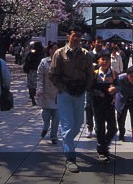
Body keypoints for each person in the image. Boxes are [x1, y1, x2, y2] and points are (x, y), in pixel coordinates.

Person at [48, 29, 94, 173]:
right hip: (65, 93)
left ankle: (67, 142)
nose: (77, 39)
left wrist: (84, 88)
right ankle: (70, 157)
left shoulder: (86, 54)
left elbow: (90, 74)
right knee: (67, 125)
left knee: (79, 122)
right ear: (69, 36)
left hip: (79, 93)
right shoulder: (59, 53)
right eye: (74, 36)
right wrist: (63, 88)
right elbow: (52, 74)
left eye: (79, 36)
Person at [90, 49, 119, 161]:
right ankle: (102, 152)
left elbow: (119, 86)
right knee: (100, 127)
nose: (105, 61)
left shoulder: (114, 73)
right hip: (97, 105)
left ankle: (102, 145)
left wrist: (115, 89)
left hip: (109, 104)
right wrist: (98, 93)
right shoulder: (94, 74)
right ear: (98, 61)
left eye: (107, 59)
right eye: (103, 59)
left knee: (113, 128)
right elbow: (89, 88)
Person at [36, 42, 60, 144]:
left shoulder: (63, 61)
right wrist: (39, 89)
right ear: (49, 50)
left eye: (56, 48)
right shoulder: (44, 62)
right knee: (46, 114)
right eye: (52, 48)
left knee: (57, 116)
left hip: (59, 92)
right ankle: (46, 126)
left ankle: (53, 135)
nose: (54, 50)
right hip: (46, 92)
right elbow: (40, 77)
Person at [116, 65, 133, 145]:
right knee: (121, 118)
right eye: (131, 76)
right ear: (127, 75)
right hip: (122, 100)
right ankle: (121, 133)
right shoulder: (120, 78)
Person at [85, 36, 103, 139]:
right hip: (90, 84)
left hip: (101, 84)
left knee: (99, 108)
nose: (99, 44)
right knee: (88, 107)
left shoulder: (105, 54)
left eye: (101, 42)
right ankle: (89, 127)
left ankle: (97, 127)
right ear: (93, 43)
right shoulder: (89, 54)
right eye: (98, 42)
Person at [23, 41, 43, 106]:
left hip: (31, 71)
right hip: (38, 70)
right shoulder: (42, 52)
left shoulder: (32, 52)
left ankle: (32, 97)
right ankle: (34, 97)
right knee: (36, 85)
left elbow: (26, 60)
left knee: (31, 85)